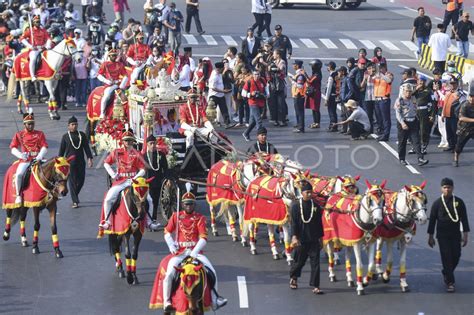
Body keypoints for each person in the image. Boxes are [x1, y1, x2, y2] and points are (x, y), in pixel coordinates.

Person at [162, 192, 227, 312]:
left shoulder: (200, 218)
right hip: (180, 253)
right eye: (186, 204)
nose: (188, 206)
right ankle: (167, 302)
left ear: (194, 205)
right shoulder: (176, 216)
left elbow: (203, 238)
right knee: (169, 274)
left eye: (191, 204)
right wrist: (171, 245)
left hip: (195, 253)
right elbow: (167, 232)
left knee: (212, 271)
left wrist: (195, 251)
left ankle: (214, 300)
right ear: (182, 205)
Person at [99, 129, 156, 230]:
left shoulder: (137, 153)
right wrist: (113, 174)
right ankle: (107, 222)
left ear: (133, 141)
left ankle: (149, 222)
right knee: (108, 199)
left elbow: (143, 169)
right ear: (122, 141)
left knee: (149, 199)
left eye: (130, 140)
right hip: (120, 181)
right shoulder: (116, 152)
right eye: (126, 140)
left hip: (135, 181)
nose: (128, 143)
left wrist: (135, 178)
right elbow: (106, 163)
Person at [427, 177, 469, 293]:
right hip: (442, 235)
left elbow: (464, 219)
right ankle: (450, 282)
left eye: (449, 187)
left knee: (456, 255)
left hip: (455, 235)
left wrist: (465, 235)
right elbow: (432, 221)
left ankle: (446, 272)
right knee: (446, 256)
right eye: (445, 187)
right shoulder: (437, 203)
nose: (447, 190)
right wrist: (430, 236)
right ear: (441, 189)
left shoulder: (459, 202)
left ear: (453, 188)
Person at [289, 181, 324, 295]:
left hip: (313, 239)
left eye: (311, 192)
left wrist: (321, 239)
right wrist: (294, 237)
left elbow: (319, 223)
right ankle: (294, 277)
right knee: (299, 262)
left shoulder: (316, 206)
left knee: (316, 263)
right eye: (307, 192)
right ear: (302, 192)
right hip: (301, 240)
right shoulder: (295, 206)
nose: (309, 195)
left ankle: (316, 285)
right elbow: (294, 223)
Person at [9, 110, 48, 204]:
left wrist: (39, 156)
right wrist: (20, 155)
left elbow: (44, 146)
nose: (31, 126)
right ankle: (18, 195)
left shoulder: (40, 134)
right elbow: (13, 148)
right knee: (19, 175)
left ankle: (52, 192)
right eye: (29, 124)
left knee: (51, 172)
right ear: (25, 124)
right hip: (25, 160)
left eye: (32, 124)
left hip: (38, 159)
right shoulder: (19, 134)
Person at [58, 116, 93, 208]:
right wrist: (59, 163)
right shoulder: (65, 137)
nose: (74, 126)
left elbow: (86, 147)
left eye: (76, 124)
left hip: (81, 161)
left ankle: (75, 195)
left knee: (81, 180)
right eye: (72, 124)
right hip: (70, 164)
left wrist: (89, 158)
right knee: (72, 181)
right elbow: (61, 152)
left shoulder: (82, 135)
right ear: (68, 126)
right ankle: (75, 201)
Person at [394, 84, 429, 166]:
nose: (408, 93)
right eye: (406, 91)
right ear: (403, 91)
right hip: (404, 122)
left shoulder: (413, 99)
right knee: (402, 142)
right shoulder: (400, 100)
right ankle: (402, 159)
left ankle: (420, 158)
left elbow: (415, 108)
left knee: (416, 141)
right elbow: (398, 114)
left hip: (413, 121)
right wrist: (402, 123)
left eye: (410, 91)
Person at [97, 48, 128, 119]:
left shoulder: (120, 64)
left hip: (117, 84)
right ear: (109, 56)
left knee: (125, 97)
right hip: (109, 85)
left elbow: (126, 76)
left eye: (115, 55)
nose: (114, 57)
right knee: (106, 96)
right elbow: (99, 75)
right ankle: (102, 113)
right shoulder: (105, 64)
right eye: (112, 56)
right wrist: (107, 81)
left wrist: (122, 85)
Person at [143, 135, 168, 221]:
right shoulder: (143, 156)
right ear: (147, 144)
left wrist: (166, 179)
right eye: (151, 143)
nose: (153, 145)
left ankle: (153, 219)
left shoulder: (161, 155)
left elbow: (165, 168)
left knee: (155, 202)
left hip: (158, 182)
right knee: (148, 201)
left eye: (154, 143)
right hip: (147, 182)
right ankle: (147, 219)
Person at [20, 14, 51, 82]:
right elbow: (22, 38)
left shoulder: (43, 30)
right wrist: (29, 45)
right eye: (36, 22)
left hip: (43, 48)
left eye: (39, 21)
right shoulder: (30, 30)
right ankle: (33, 75)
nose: (38, 23)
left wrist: (48, 45)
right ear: (33, 23)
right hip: (34, 49)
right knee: (33, 59)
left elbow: (48, 38)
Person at [242, 70, 268, 141]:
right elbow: (243, 93)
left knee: (253, 121)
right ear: (253, 75)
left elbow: (266, 89)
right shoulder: (249, 82)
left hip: (261, 102)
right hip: (253, 103)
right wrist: (250, 94)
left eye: (258, 74)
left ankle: (246, 133)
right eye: (255, 74)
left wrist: (266, 95)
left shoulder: (262, 81)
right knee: (258, 120)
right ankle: (260, 137)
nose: (257, 76)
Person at [442, 78, 467, 152]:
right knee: (448, 131)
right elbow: (445, 104)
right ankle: (451, 145)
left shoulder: (460, 93)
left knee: (455, 132)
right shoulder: (448, 92)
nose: (452, 85)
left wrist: (461, 115)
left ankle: (457, 147)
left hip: (455, 116)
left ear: (457, 84)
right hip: (447, 115)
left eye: (454, 83)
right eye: (451, 83)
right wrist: (443, 114)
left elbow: (463, 104)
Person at [413, 76, 436, 154]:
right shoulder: (416, 90)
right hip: (416, 111)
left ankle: (423, 147)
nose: (420, 82)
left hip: (424, 111)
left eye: (422, 81)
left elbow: (434, 103)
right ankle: (415, 146)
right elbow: (411, 95)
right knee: (415, 130)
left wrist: (432, 115)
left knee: (423, 130)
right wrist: (416, 89)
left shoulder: (429, 91)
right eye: (419, 80)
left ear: (425, 82)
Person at [453, 84, 474, 166]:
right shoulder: (465, 105)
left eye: (473, 97)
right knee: (459, 146)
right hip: (464, 128)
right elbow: (461, 118)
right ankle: (456, 158)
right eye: (471, 97)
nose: (472, 99)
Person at [208, 61, 233, 128]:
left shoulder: (218, 73)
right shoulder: (214, 76)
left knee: (224, 110)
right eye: (222, 69)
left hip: (221, 95)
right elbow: (213, 88)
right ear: (219, 69)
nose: (223, 70)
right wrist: (223, 91)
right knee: (211, 111)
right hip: (214, 96)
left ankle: (227, 123)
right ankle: (209, 124)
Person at [373, 63, 393, 141]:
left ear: (385, 68)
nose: (380, 69)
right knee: (379, 118)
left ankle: (386, 135)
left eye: (381, 68)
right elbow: (371, 80)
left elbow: (389, 80)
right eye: (379, 68)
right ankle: (381, 133)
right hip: (377, 99)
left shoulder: (389, 75)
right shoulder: (377, 75)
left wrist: (381, 74)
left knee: (386, 118)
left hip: (384, 99)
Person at [305, 59, 322, 129]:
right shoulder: (315, 74)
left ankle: (317, 123)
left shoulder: (317, 75)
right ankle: (315, 122)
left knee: (316, 109)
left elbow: (309, 81)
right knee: (313, 108)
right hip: (313, 93)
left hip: (316, 93)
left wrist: (304, 74)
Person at [289, 60, 306, 133]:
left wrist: (292, 81)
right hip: (297, 95)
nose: (293, 66)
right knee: (298, 111)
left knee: (300, 112)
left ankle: (301, 127)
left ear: (297, 66)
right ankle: (299, 124)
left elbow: (300, 85)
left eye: (294, 64)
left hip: (299, 95)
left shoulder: (300, 75)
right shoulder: (298, 74)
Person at [324, 61, 338, 132]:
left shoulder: (331, 76)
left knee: (331, 112)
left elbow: (329, 88)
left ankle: (333, 126)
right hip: (336, 95)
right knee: (334, 111)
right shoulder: (336, 74)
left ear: (330, 67)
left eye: (328, 66)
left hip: (331, 96)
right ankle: (334, 125)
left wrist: (326, 99)